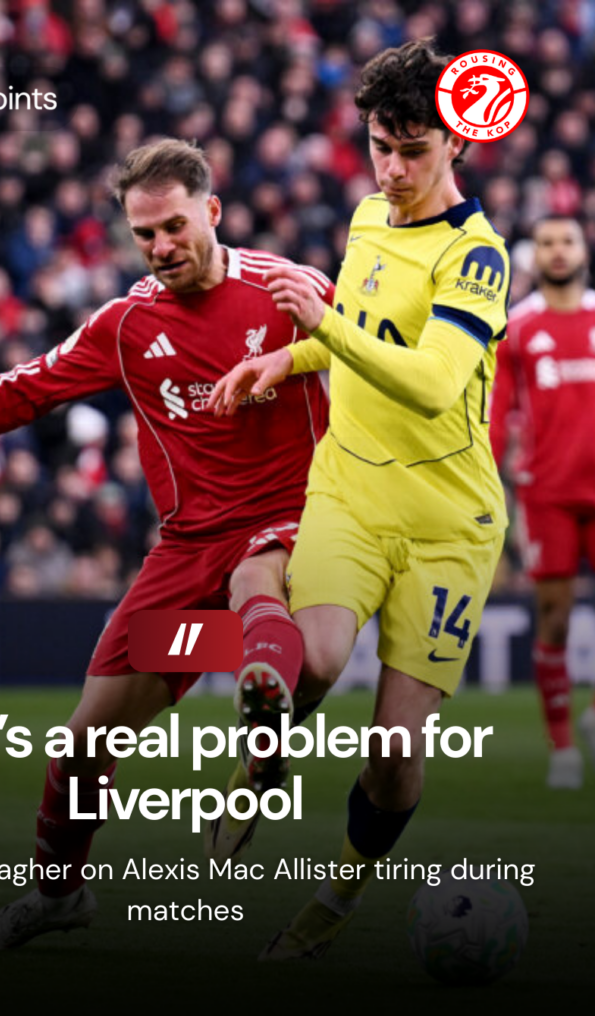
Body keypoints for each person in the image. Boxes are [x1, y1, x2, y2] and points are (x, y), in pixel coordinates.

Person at [0, 139, 334, 950]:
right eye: (144, 234)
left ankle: (257, 751)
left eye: (175, 226)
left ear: (212, 212)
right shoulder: (127, 322)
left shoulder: (285, 290)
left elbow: (374, 356)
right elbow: (30, 386)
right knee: (84, 740)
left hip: (295, 517)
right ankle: (59, 893)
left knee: (261, 584)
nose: (161, 247)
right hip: (186, 552)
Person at [209, 39, 510, 960]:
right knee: (318, 652)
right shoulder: (368, 217)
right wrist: (287, 355)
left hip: (450, 522)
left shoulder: (478, 255)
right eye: (381, 145)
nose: (394, 168)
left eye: (413, 150)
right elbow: (358, 327)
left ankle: (329, 902)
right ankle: (262, 755)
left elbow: (426, 379)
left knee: (392, 754)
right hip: (349, 483)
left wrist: (321, 325)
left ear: (457, 143)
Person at [491, 215, 595, 788]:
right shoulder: (519, 327)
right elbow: (497, 415)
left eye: (568, 241)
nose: (559, 252)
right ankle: (562, 747)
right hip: (547, 492)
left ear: (583, 248)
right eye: (549, 243)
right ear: (538, 254)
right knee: (553, 616)